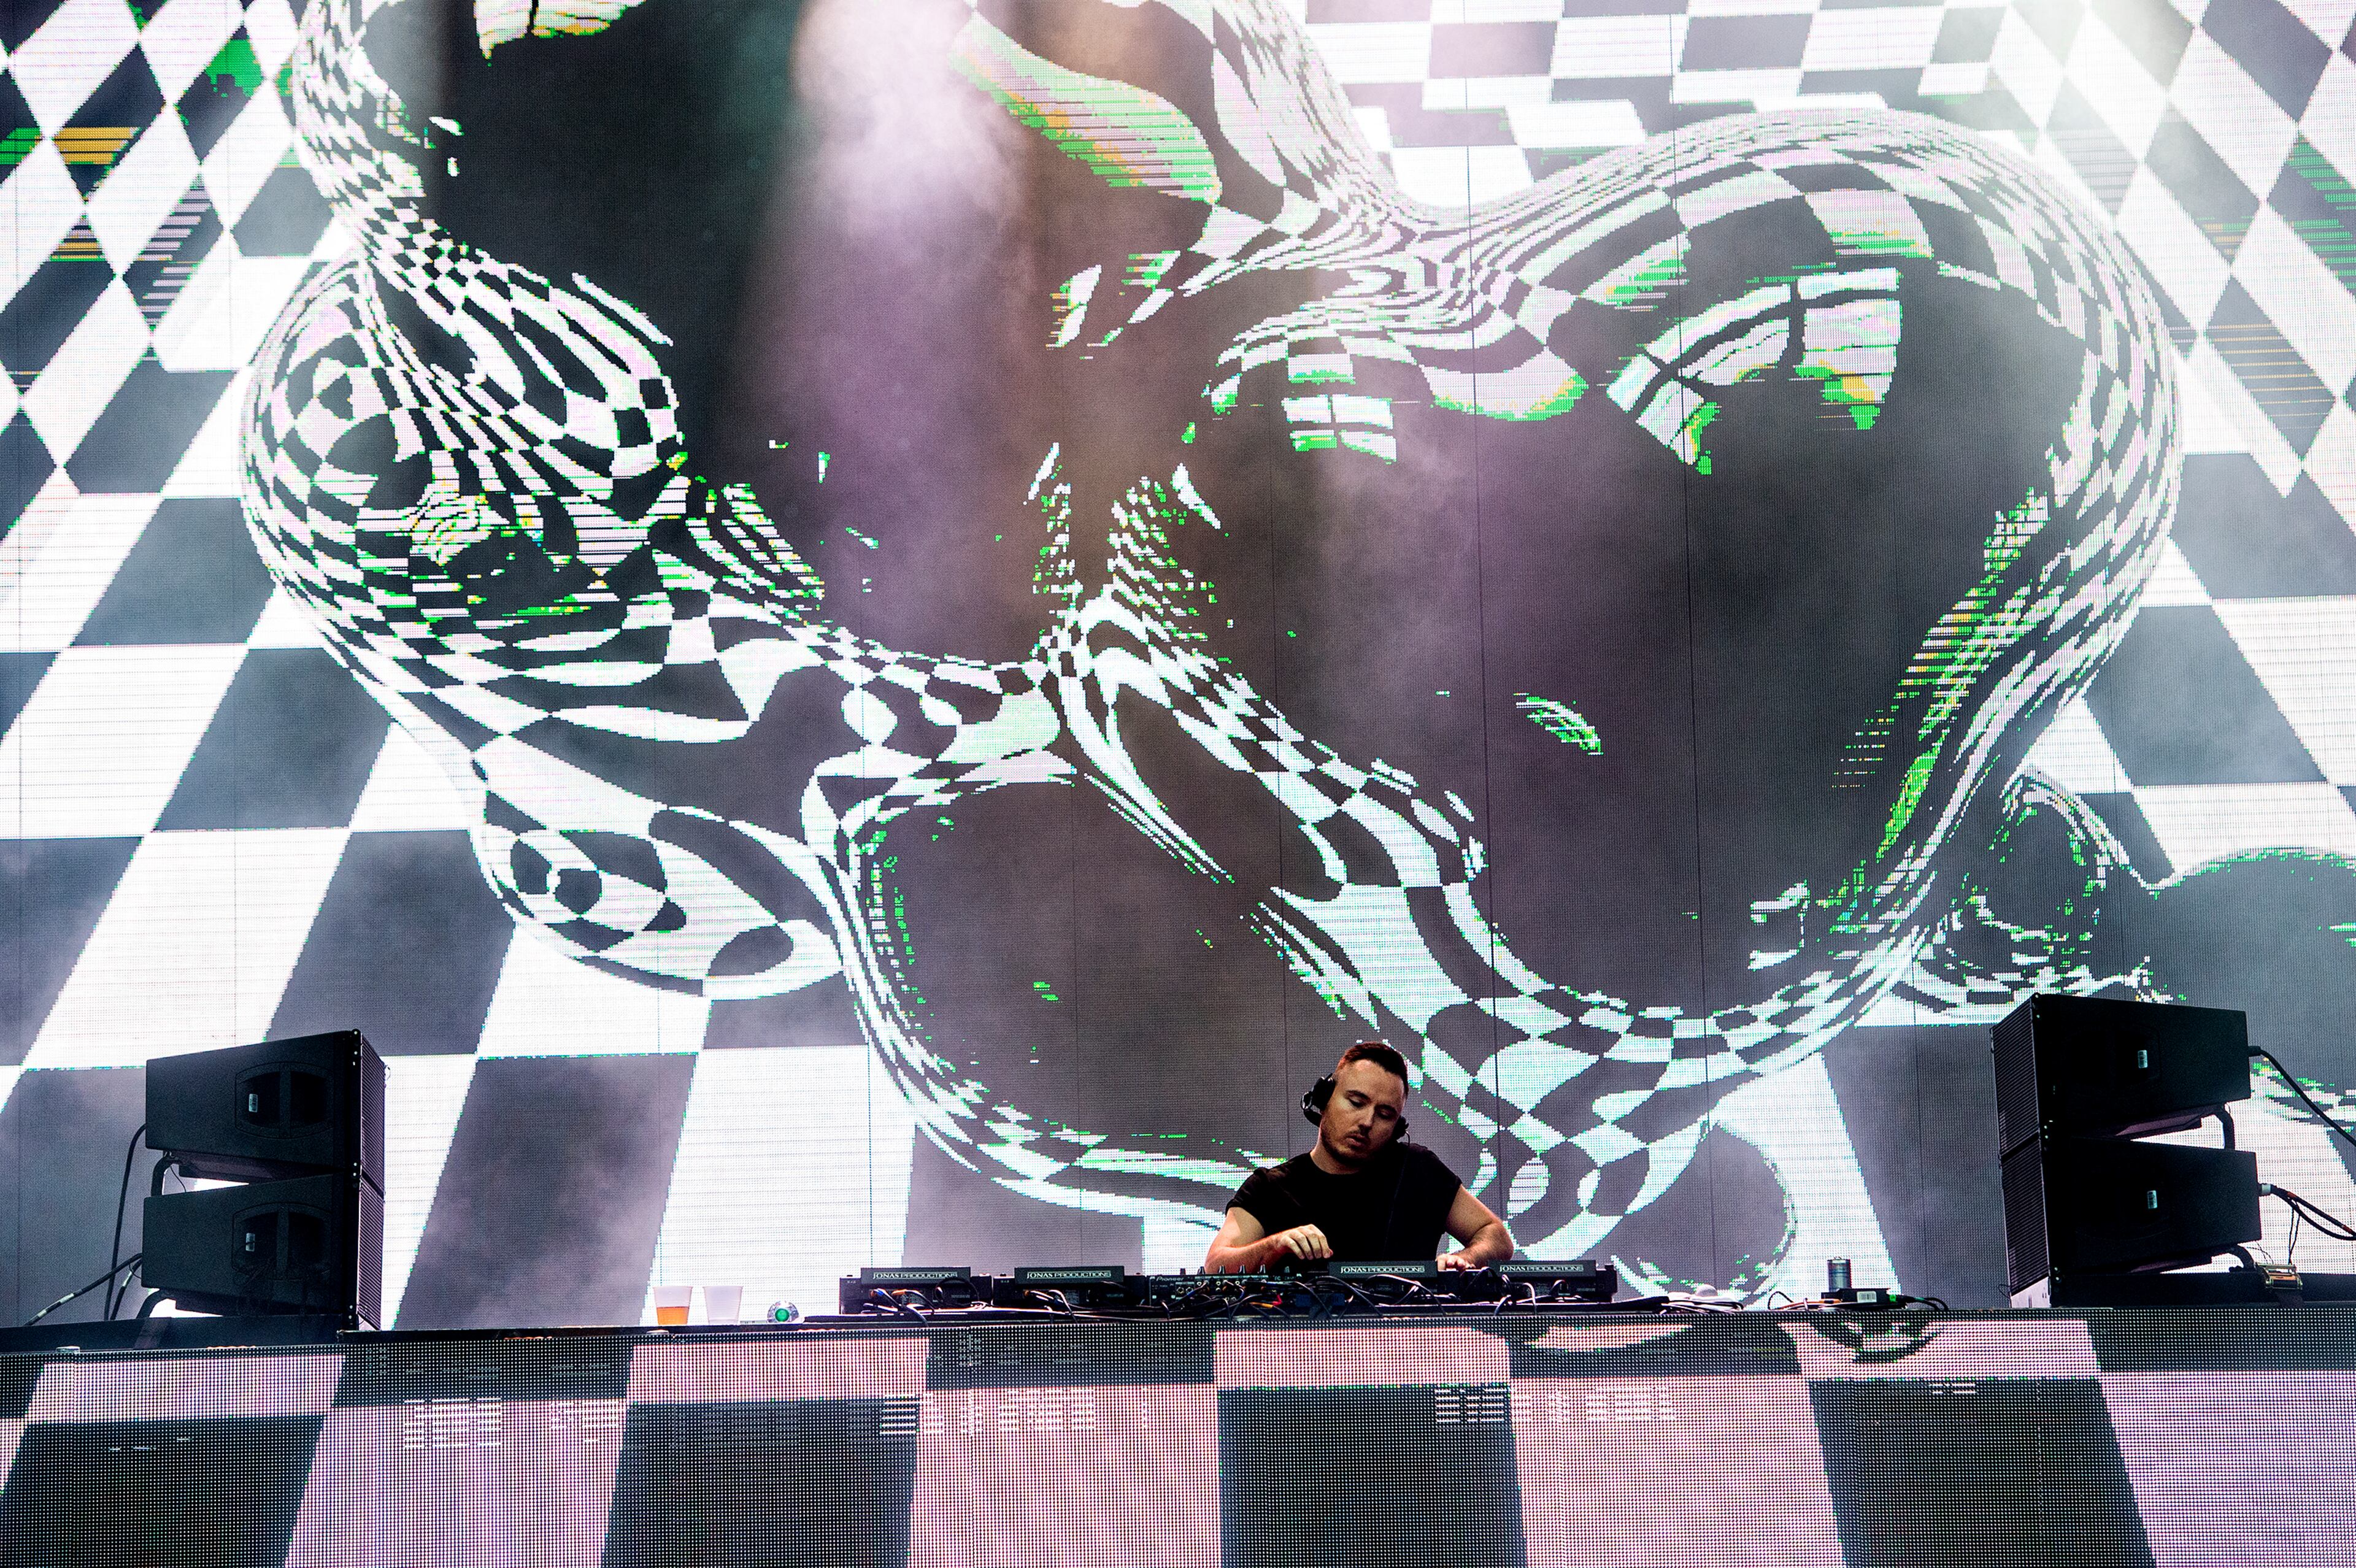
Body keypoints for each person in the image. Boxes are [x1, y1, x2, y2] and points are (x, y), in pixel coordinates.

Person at [1204, 1043, 1513, 1274]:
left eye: (1384, 1114)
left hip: (1413, 1347)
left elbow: (1496, 1236)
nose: (1367, 1122)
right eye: (1356, 1102)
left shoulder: (1418, 1170)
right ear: (1324, 1100)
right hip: (1299, 1350)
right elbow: (1216, 1265)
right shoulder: (1269, 1187)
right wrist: (1276, 1244)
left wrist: (1465, 1261)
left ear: (1397, 1129)